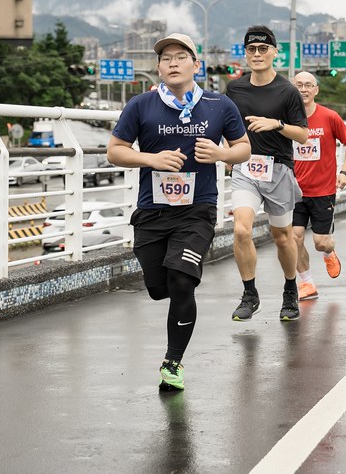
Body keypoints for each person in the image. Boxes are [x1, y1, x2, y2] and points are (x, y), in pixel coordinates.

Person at [107, 32, 250, 391]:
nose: (172, 62)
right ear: (158, 67)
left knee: (182, 281)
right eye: (165, 58)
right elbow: (115, 151)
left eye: (180, 56)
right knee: (159, 287)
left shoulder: (219, 105)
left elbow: (243, 148)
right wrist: (150, 159)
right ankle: (170, 296)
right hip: (152, 211)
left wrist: (221, 155)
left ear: (195, 65)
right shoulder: (141, 104)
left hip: (197, 210)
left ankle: (173, 363)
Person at [225, 26, 309, 321]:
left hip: (278, 169)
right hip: (245, 168)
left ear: (275, 52)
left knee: (283, 236)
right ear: (245, 54)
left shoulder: (287, 91)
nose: (257, 55)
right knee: (241, 230)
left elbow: (303, 136)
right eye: (252, 50)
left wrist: (277, 125)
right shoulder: (234, 88)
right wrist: (228, 153)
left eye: (263, 49)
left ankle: (290, 289)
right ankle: (250, 293)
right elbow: (228, 125)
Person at [289, 71, 346, 301]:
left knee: (320, 242)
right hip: (294, 191)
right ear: (292, 89)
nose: (304, 90)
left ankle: (329, 251)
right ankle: (307, 283)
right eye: (299, 85)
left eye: (309, 85)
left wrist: (345, 171)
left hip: (323, 191)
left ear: (316, 90)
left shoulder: (330, 117)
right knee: (294, 237)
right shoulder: (287, 119)